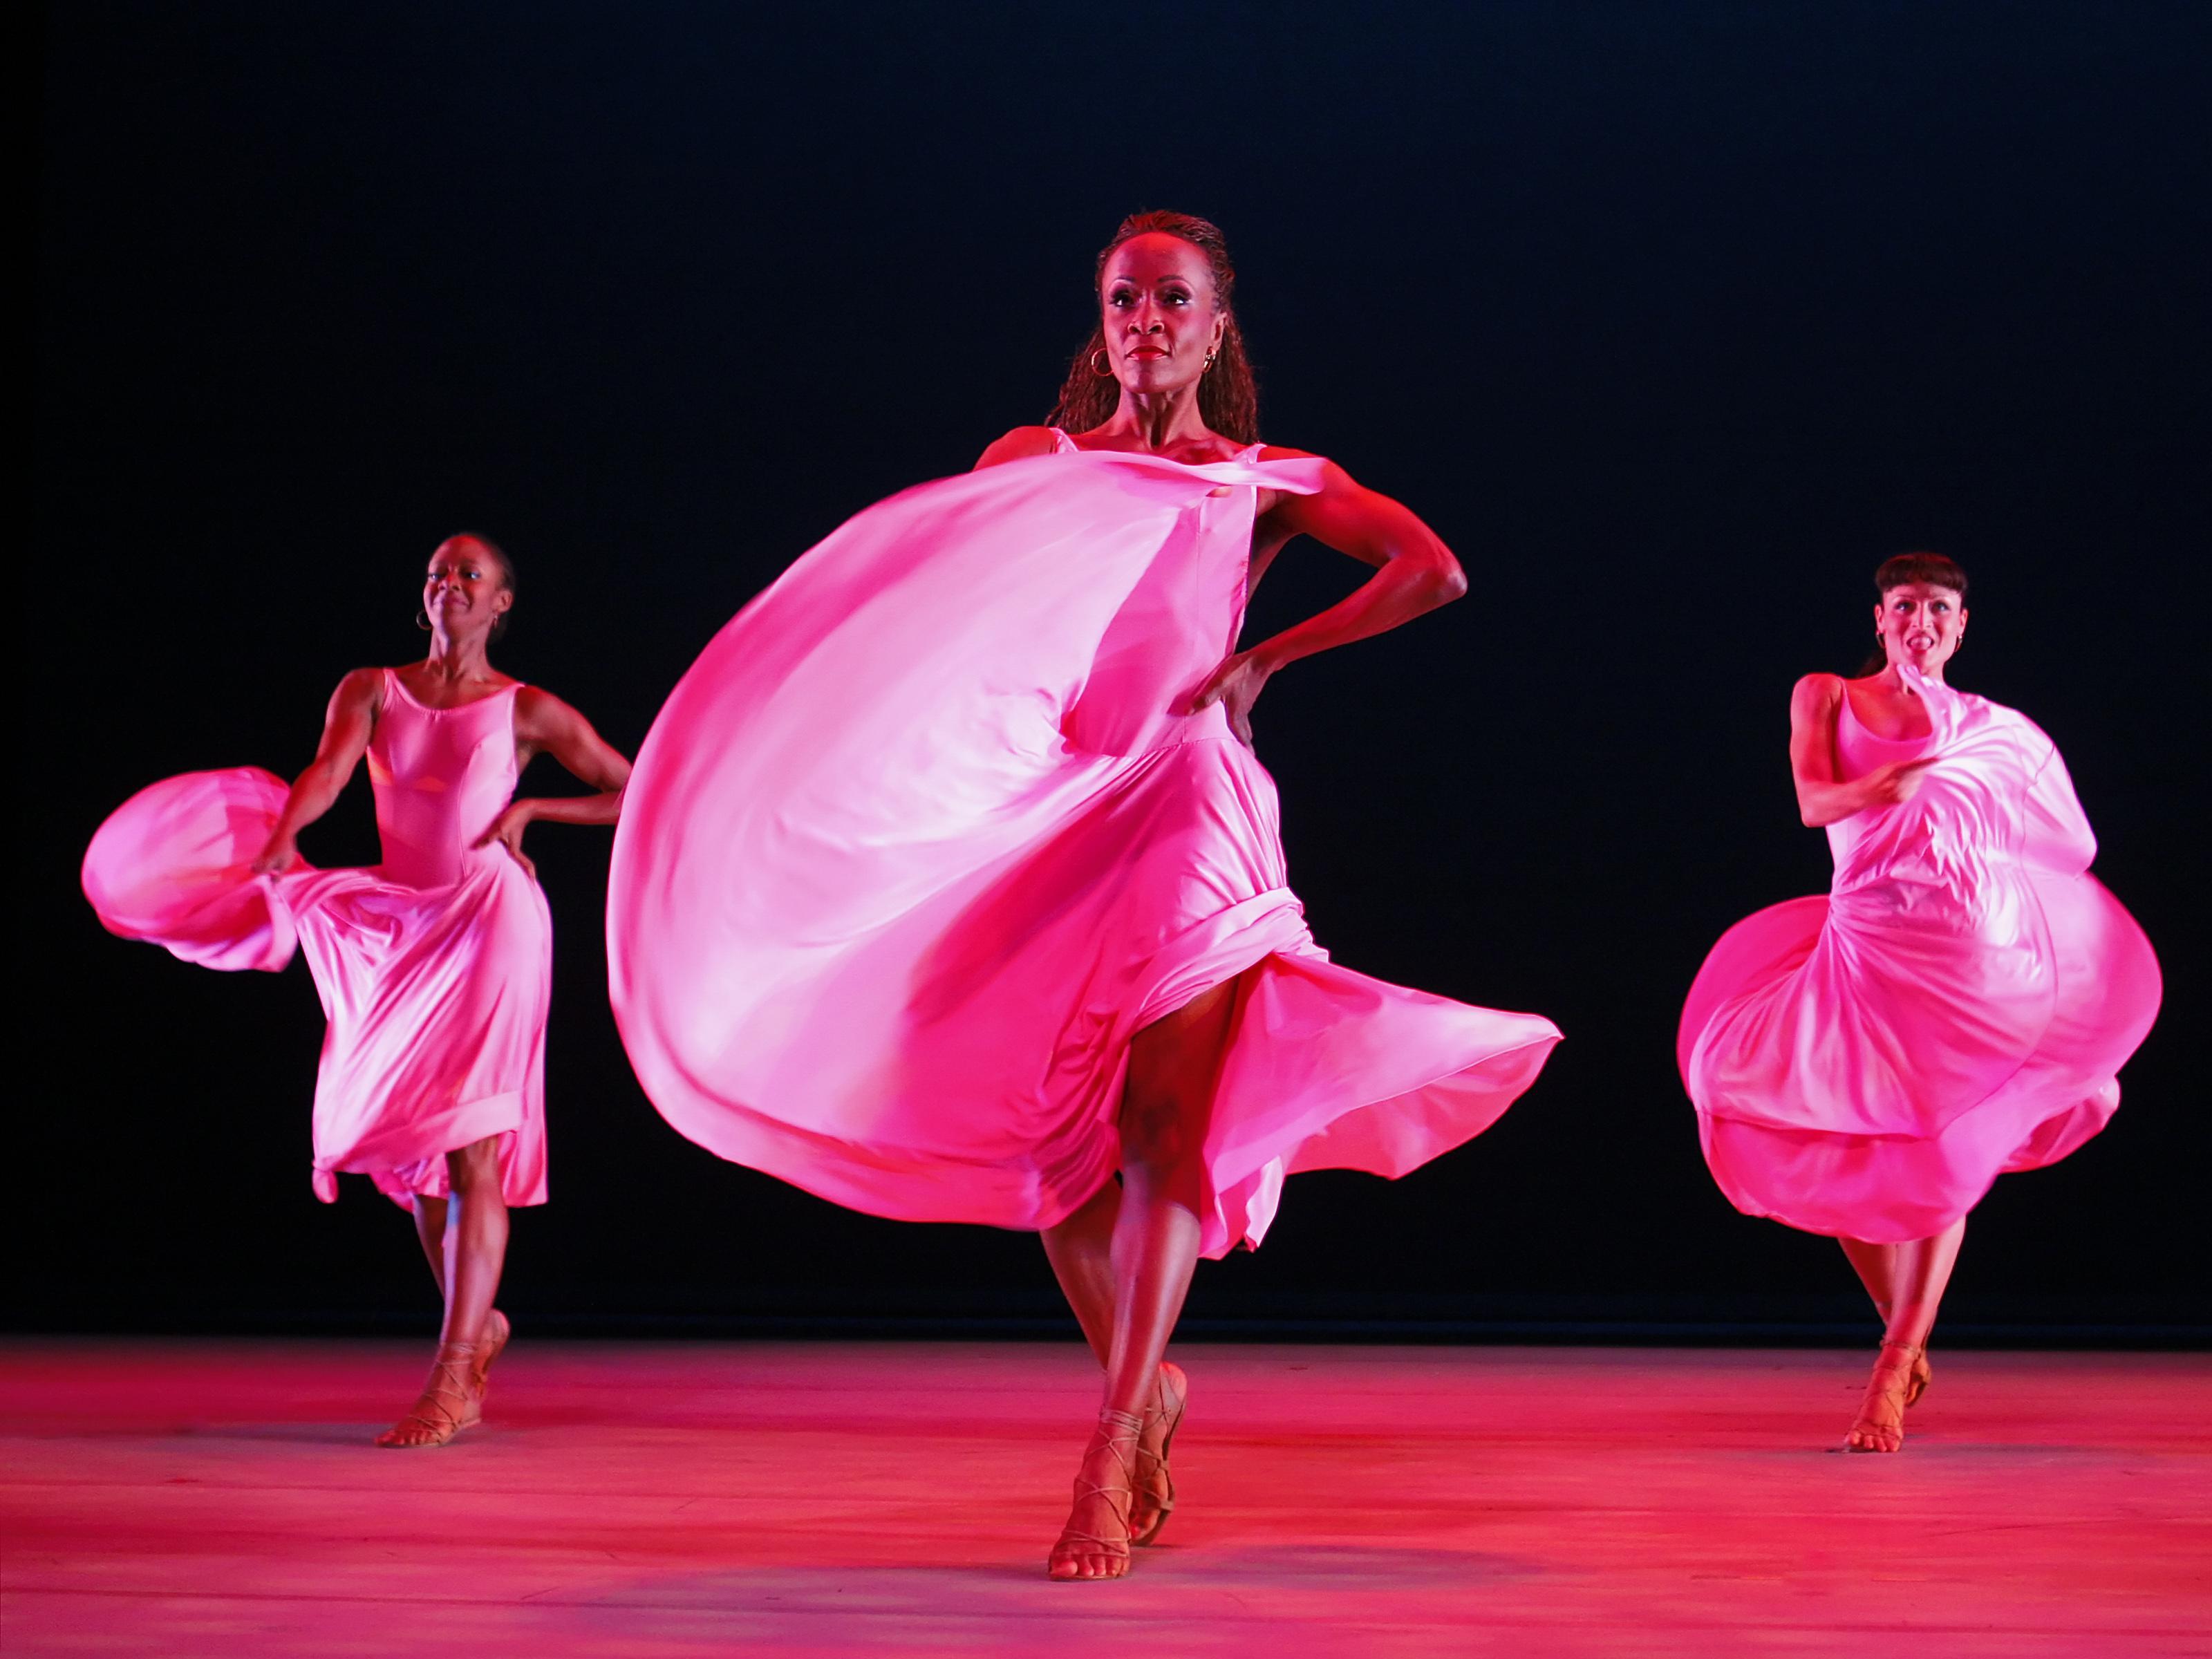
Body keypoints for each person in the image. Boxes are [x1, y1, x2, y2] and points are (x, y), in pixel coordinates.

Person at [608, 212, 1560, 1577]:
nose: (1146, 322)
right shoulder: (1030, 465)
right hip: (1054, 813)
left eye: (1173, 300)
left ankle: (1110, 1444)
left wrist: (1266, 662)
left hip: (1187, 802)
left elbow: (1433, 568)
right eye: (1125, 300)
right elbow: (929, 626)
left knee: (1164, 1122)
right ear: (1101, 319)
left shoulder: (1263, 482)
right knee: (1050, 1141)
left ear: (1216, 324)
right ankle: (1150, 1378)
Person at [83, 534, 630, 1447]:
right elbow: (330, 770)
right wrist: (281, 838)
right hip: (400, 928)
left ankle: (452, 1377)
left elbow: (630, 785)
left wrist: (533, 809)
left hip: (492, 918)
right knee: (410, 1156)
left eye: (471, 575)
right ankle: (476, 1321)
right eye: (438, 572)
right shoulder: (372, 687)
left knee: (473, 1149)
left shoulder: (525, 709)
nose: (450, 583)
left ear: (500, 605)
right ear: (423, 597)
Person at [1678, 553, 2159, 1452]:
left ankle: (1893, 1366)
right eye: (1906, 606)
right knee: (1792, 1113)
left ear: (1961, 626)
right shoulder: (1827, 695)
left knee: (1945, 1145)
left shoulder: (1998, 732)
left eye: (1939, 609)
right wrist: (1889, 786)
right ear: (1881, 616)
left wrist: (1979, 827)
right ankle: (1904, 1322)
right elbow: (1813, 802)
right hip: (1865, 947)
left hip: (1973, 956)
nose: (1922, 622)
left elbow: (2074, 839)